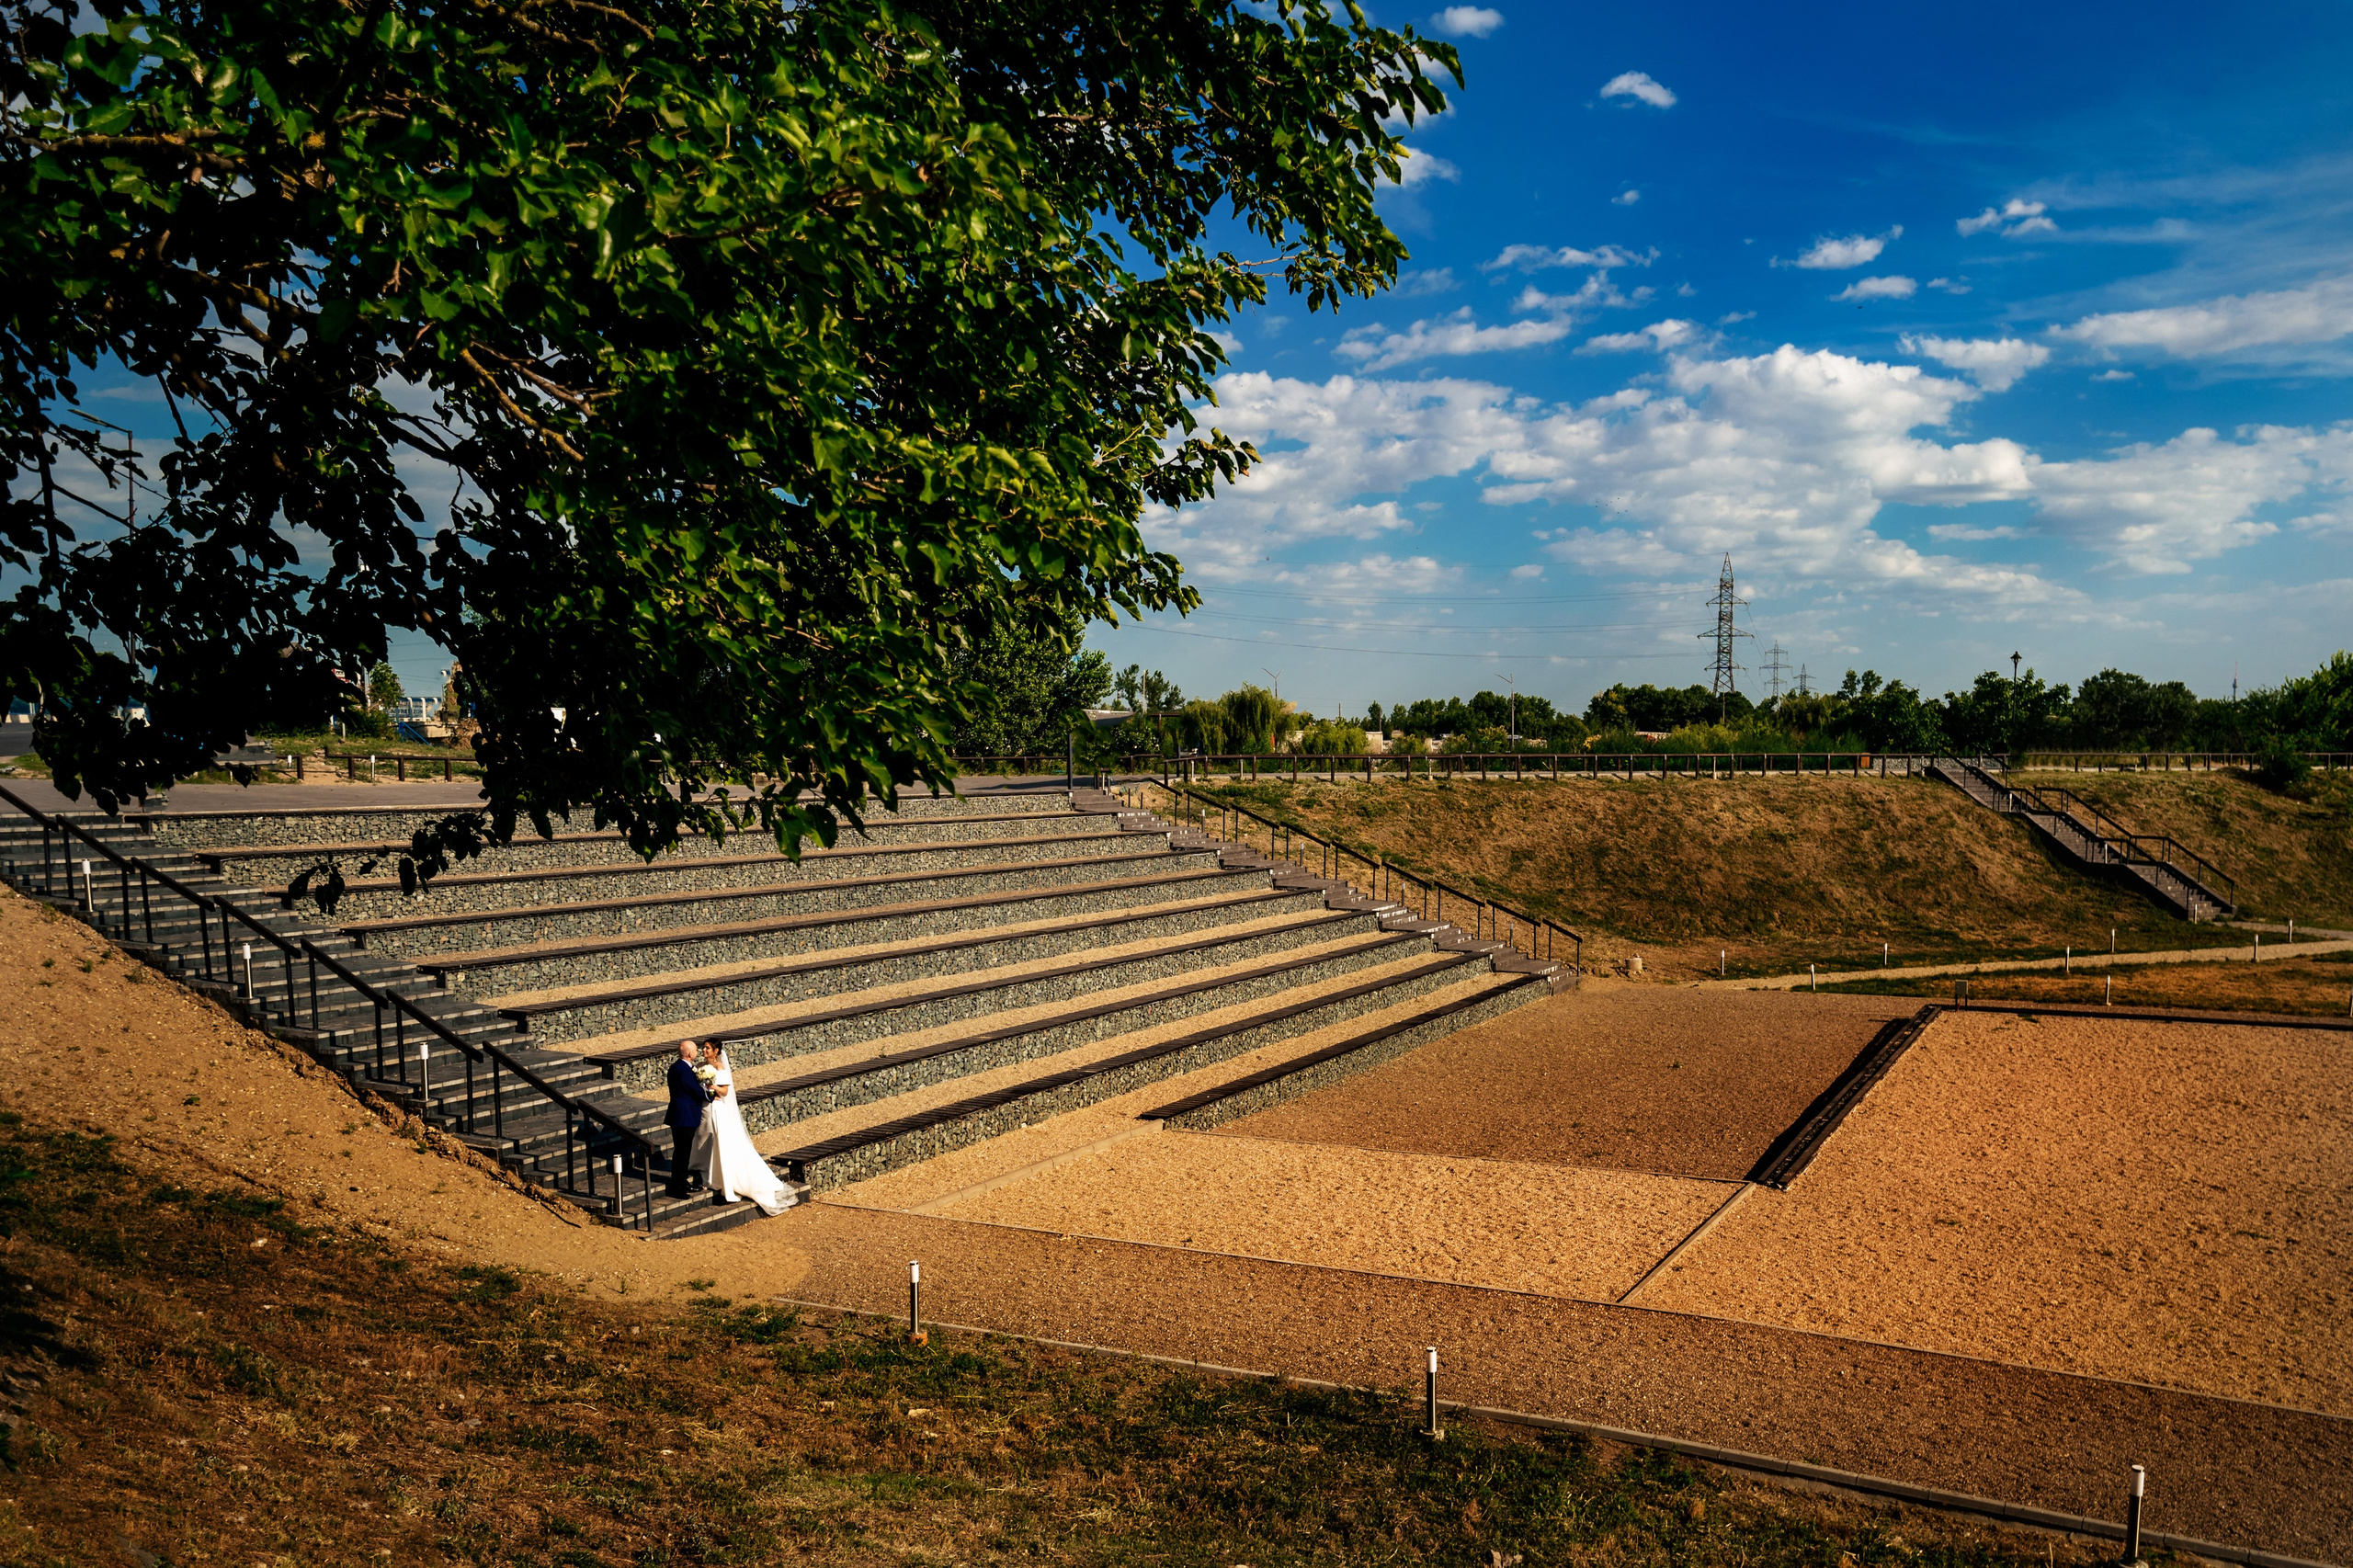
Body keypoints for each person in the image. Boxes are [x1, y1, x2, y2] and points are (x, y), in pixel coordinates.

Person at [689, 1045, 794, 1215]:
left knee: (718, 1140)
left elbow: (724, 1091)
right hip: (702, 1107)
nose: (704, 1050)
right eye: (703, 1047)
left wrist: (712, 1086)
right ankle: (701, 1165)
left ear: (716, 1051)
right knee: (702, 1136)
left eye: (708, 1048)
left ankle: (721, 1178)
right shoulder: (700, 1065)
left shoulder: (719, 1068)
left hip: (715, 1107)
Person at [663, 1040, 710, 1198]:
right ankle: (676, 1186)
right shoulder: (683, 1070)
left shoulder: (678, 1067)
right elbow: (695, 1090)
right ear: (690, 1054)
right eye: (696, 1050)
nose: (698, 1052)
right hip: (684, 1116)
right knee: (682, 1152)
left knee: (684, 1151)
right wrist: (710, 1095)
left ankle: (682, 1182)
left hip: (682, 1114)